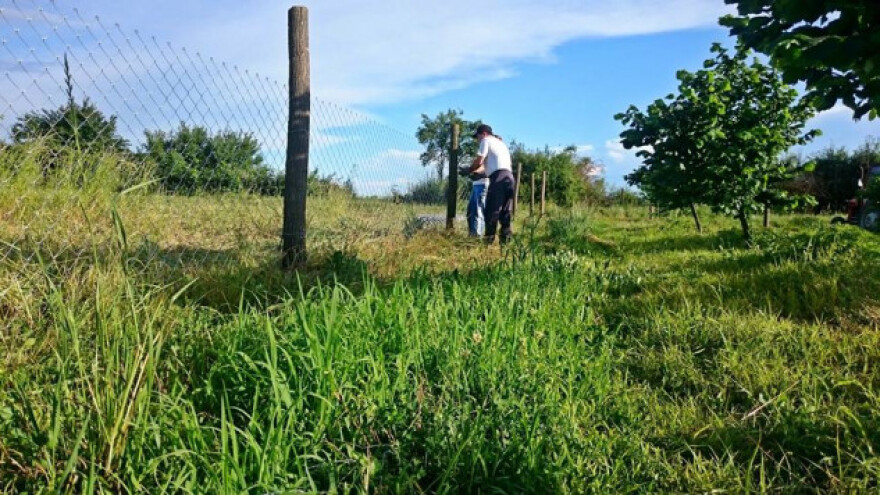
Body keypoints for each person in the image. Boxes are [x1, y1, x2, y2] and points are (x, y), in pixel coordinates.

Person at [467, 124, 515, 244]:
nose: (477, 140)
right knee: (505, 211)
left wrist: (469, 170)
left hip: (498, 179)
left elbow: (479, 161)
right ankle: (505, 243)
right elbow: (494, 166)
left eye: (477, 137)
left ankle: (487, 243)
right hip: (509, 178)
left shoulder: (486, 141)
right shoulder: (501, 144)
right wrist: (480, 173)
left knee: (491, 211)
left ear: (483, 134)